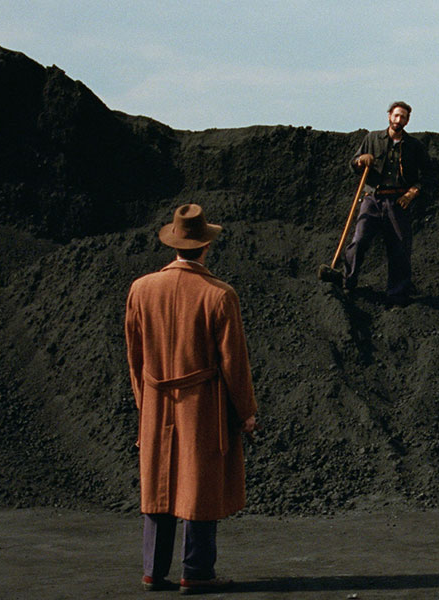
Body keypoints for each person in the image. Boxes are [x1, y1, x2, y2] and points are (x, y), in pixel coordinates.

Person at [125, 204, 258, 593]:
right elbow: (235, 363)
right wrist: (246, 412)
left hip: (155, 399)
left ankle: (153, 570)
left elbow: (134, 357)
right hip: (202, 404)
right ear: (205, 246)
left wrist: (145, 400)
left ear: (174, 244)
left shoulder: (141, 289)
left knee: (159, 482)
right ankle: (196, 572)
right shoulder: (219, 295)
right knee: (199, 483)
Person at [341, 100, 431, 304]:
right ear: (389, 116)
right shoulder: (372, 138)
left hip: (398, 201)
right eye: (396, 115)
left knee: (399, 247)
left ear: (408, 121)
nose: (399, 120)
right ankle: (348, 282)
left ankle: (397, 293)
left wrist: (412, 193)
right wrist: (360, 160)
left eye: (403, 117)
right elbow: (353, 164)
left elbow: (428, 175)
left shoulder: (414, 147)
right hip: (372, 198)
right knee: (359, 240)